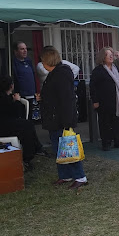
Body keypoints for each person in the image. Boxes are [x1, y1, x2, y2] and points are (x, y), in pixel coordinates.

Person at [39, 46, 86, 189]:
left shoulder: (61, 74)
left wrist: (67, 122)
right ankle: (65, 175)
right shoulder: (56, 73)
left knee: (67, 148)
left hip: (61, 118)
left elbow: (66, 99)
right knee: (58, 149)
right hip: (54, 117)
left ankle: (80, 176)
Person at [0, 75, 45, 172]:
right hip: (1, 128)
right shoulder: (4, 99)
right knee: (27, 126)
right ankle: (28, 156)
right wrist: (18, 101)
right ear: (11, 86)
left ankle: (36, 149)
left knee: (26, 125)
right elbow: (17, 113)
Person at [90, 47, 119, 151]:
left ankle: (118, 141)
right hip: (104, 102)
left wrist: (118, 57)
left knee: (118, 122)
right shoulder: (98, 70)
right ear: (103, 57)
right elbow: (93, 86)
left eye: (111, 54)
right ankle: (106, 143)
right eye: (108, 54)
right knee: (105, 123)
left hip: (117, 100)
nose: (111, 56)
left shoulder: (116, 68)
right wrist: (95, 101)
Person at [11, 41, 37, 119]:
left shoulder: (28, 61)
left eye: (26, 49)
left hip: (31, 94)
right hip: (21, 96)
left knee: (29, 117)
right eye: (22, 49)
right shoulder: (13, 63)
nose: (25, 51)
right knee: (22, 116)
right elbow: (14, 78)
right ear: (16, 51)